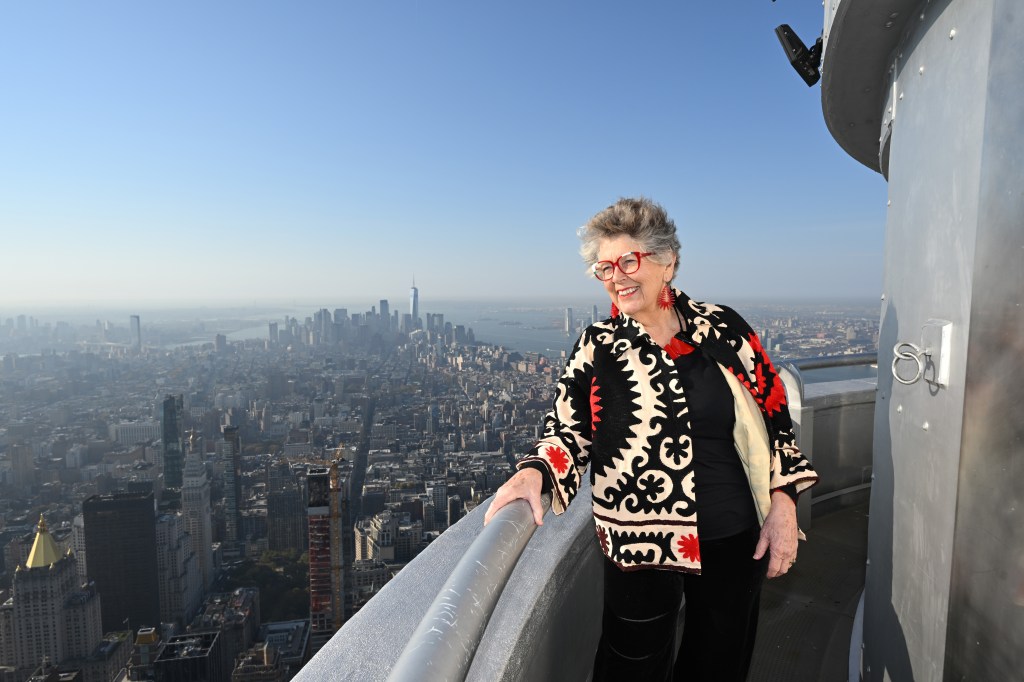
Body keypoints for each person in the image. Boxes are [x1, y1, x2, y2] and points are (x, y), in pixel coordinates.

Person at [483, 197, 818, 681]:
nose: (615, 277)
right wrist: (535, 471)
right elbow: (567, 427)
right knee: (631, 663)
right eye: (604, 267)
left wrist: (783, 502)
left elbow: (776, 416)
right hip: (639, 539)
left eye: (628, 261)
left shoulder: (724, 328)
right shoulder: (598, 346)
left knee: (720, 660)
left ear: (668, 262)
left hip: (732, 530)